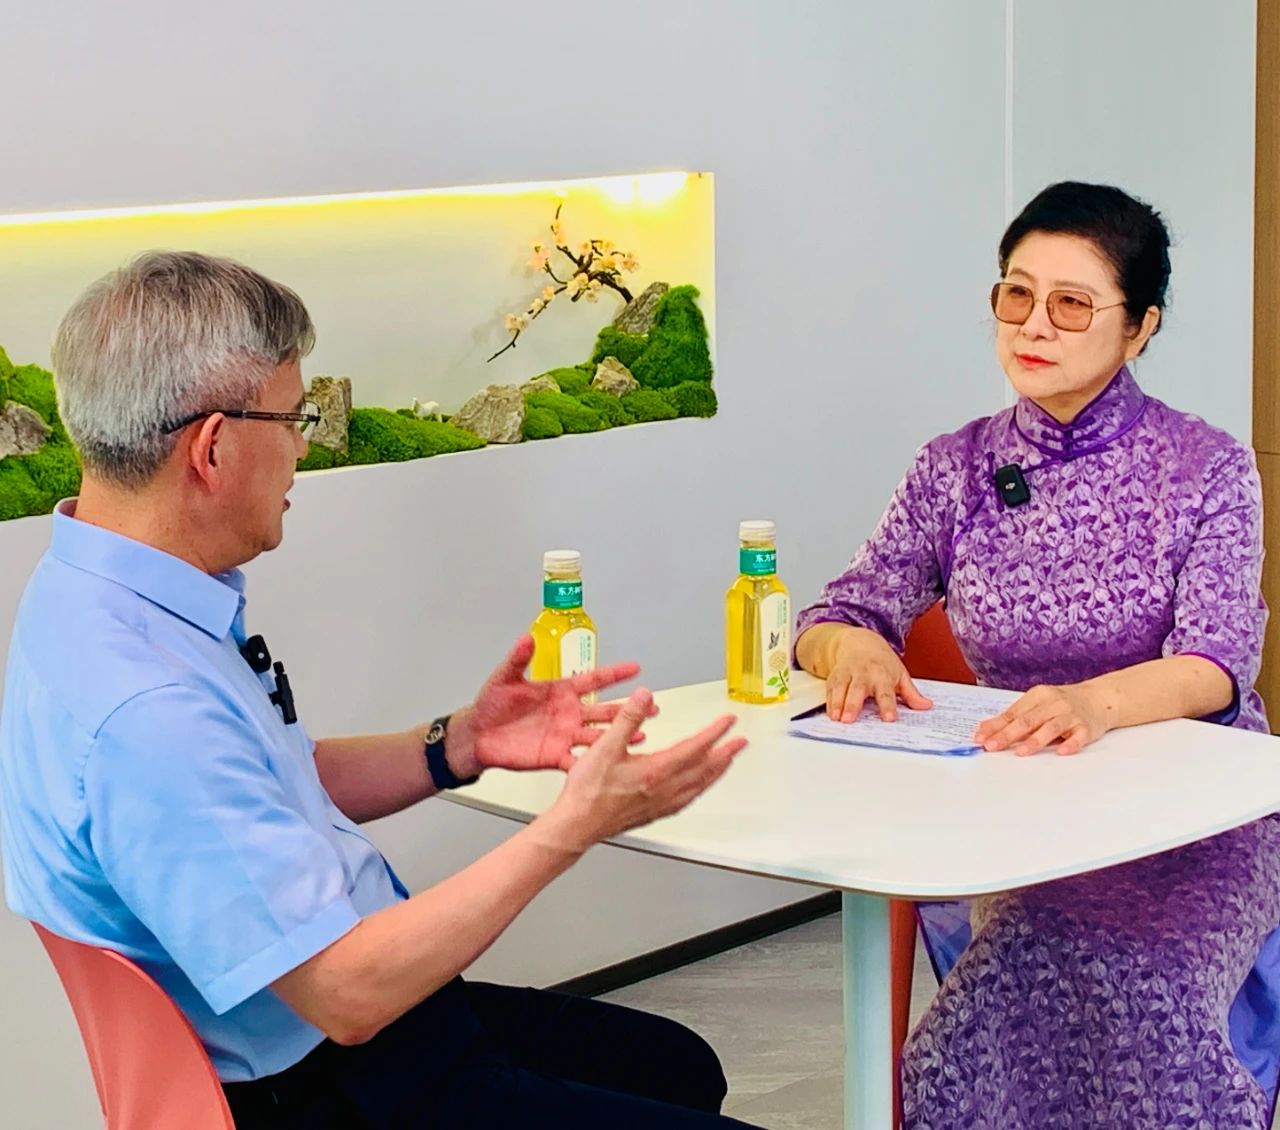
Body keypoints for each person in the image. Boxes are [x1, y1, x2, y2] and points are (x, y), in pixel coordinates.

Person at [0, 251, 764, 1130]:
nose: (303, 446)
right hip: (344, 1079)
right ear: (213, 448)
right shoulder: (147, 707)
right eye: (294, 418)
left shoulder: (92, 596)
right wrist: (574, 825)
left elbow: (270, 786)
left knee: (676, 1065)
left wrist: (458, 744)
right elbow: (347, 994)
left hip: (368, 1035)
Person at [794, 181, 1280, 1127]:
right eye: (1017, 294)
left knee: (1140, 988)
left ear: (1139, 328)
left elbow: (1219, 665)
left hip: (1193, 816)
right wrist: (847, 646)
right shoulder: (955, 466)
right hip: (1022, 805)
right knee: (987, 1004)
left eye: (1072, 303)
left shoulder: (1207, 467)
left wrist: (1092, 704)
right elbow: (840, 608)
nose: (1034, 324)